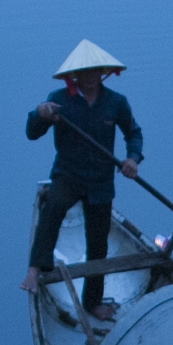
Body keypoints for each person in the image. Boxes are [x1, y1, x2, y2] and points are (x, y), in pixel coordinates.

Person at [20, 39, 144, 322]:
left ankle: (93, 302)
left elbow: (133, 134)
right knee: (53, 210)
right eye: (83, 74)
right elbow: (32, 131)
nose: (89, 79)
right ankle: (36, 269)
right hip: (68, 174)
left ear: (102, 73)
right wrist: (40, 115)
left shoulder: (116, 102)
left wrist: (132, 159)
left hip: (101, 181)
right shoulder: (59, 101)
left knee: (98, 241)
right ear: (74, 75)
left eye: (94, 73)